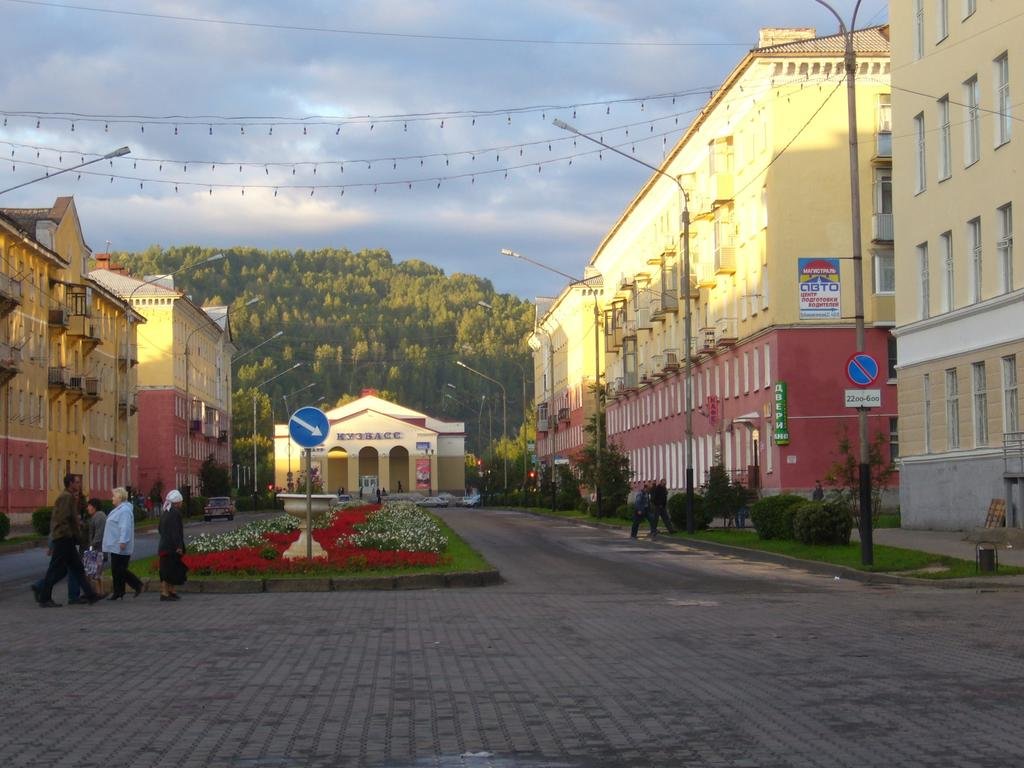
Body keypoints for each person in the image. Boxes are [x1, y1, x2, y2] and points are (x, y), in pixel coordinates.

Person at [35, 474, 102, 607]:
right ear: (70, 484)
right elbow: (63, 519)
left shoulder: (69, 497)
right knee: (54, 568)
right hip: (63, 538)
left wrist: (77, 528)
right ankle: (44, 597)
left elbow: (71, 519)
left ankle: (91, 595)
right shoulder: (66, 497)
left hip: (67, 538)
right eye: (76, 482)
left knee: (77, 568)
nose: (79, 484)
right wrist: (71, 533)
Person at [103, 487, 145, 600]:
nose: (112, 498)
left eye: (114, 496)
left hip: (120, 545)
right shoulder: (119, 509)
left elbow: (125, 527)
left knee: (119, 569)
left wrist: (122, 541)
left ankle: (137, 584)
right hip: (115, 544)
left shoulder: (124, 511)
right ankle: (119, 591)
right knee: (116, 569)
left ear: (120, 497)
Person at [158, 489, 187, 602]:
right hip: (171, 547)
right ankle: (165, 592)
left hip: (164, 545)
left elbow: (160, 529)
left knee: (169, 569)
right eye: (181, 501)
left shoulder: (166, 512)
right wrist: (179, 546)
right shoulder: (175, 513)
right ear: (177, 502)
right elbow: (176, 531)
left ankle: (171, 591)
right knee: (169, 570)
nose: (182, 503)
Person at [83, 498, 107, 596]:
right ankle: (99, 592)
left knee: (94, 573)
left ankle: (98, 592)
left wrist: (91, 546)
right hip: (97, 548)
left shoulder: (99, 516)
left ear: (94, 507)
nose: (87, 508)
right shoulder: (95, 517)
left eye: (89, 506)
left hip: (98, 549)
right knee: (96, 573)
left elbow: (99, 534)